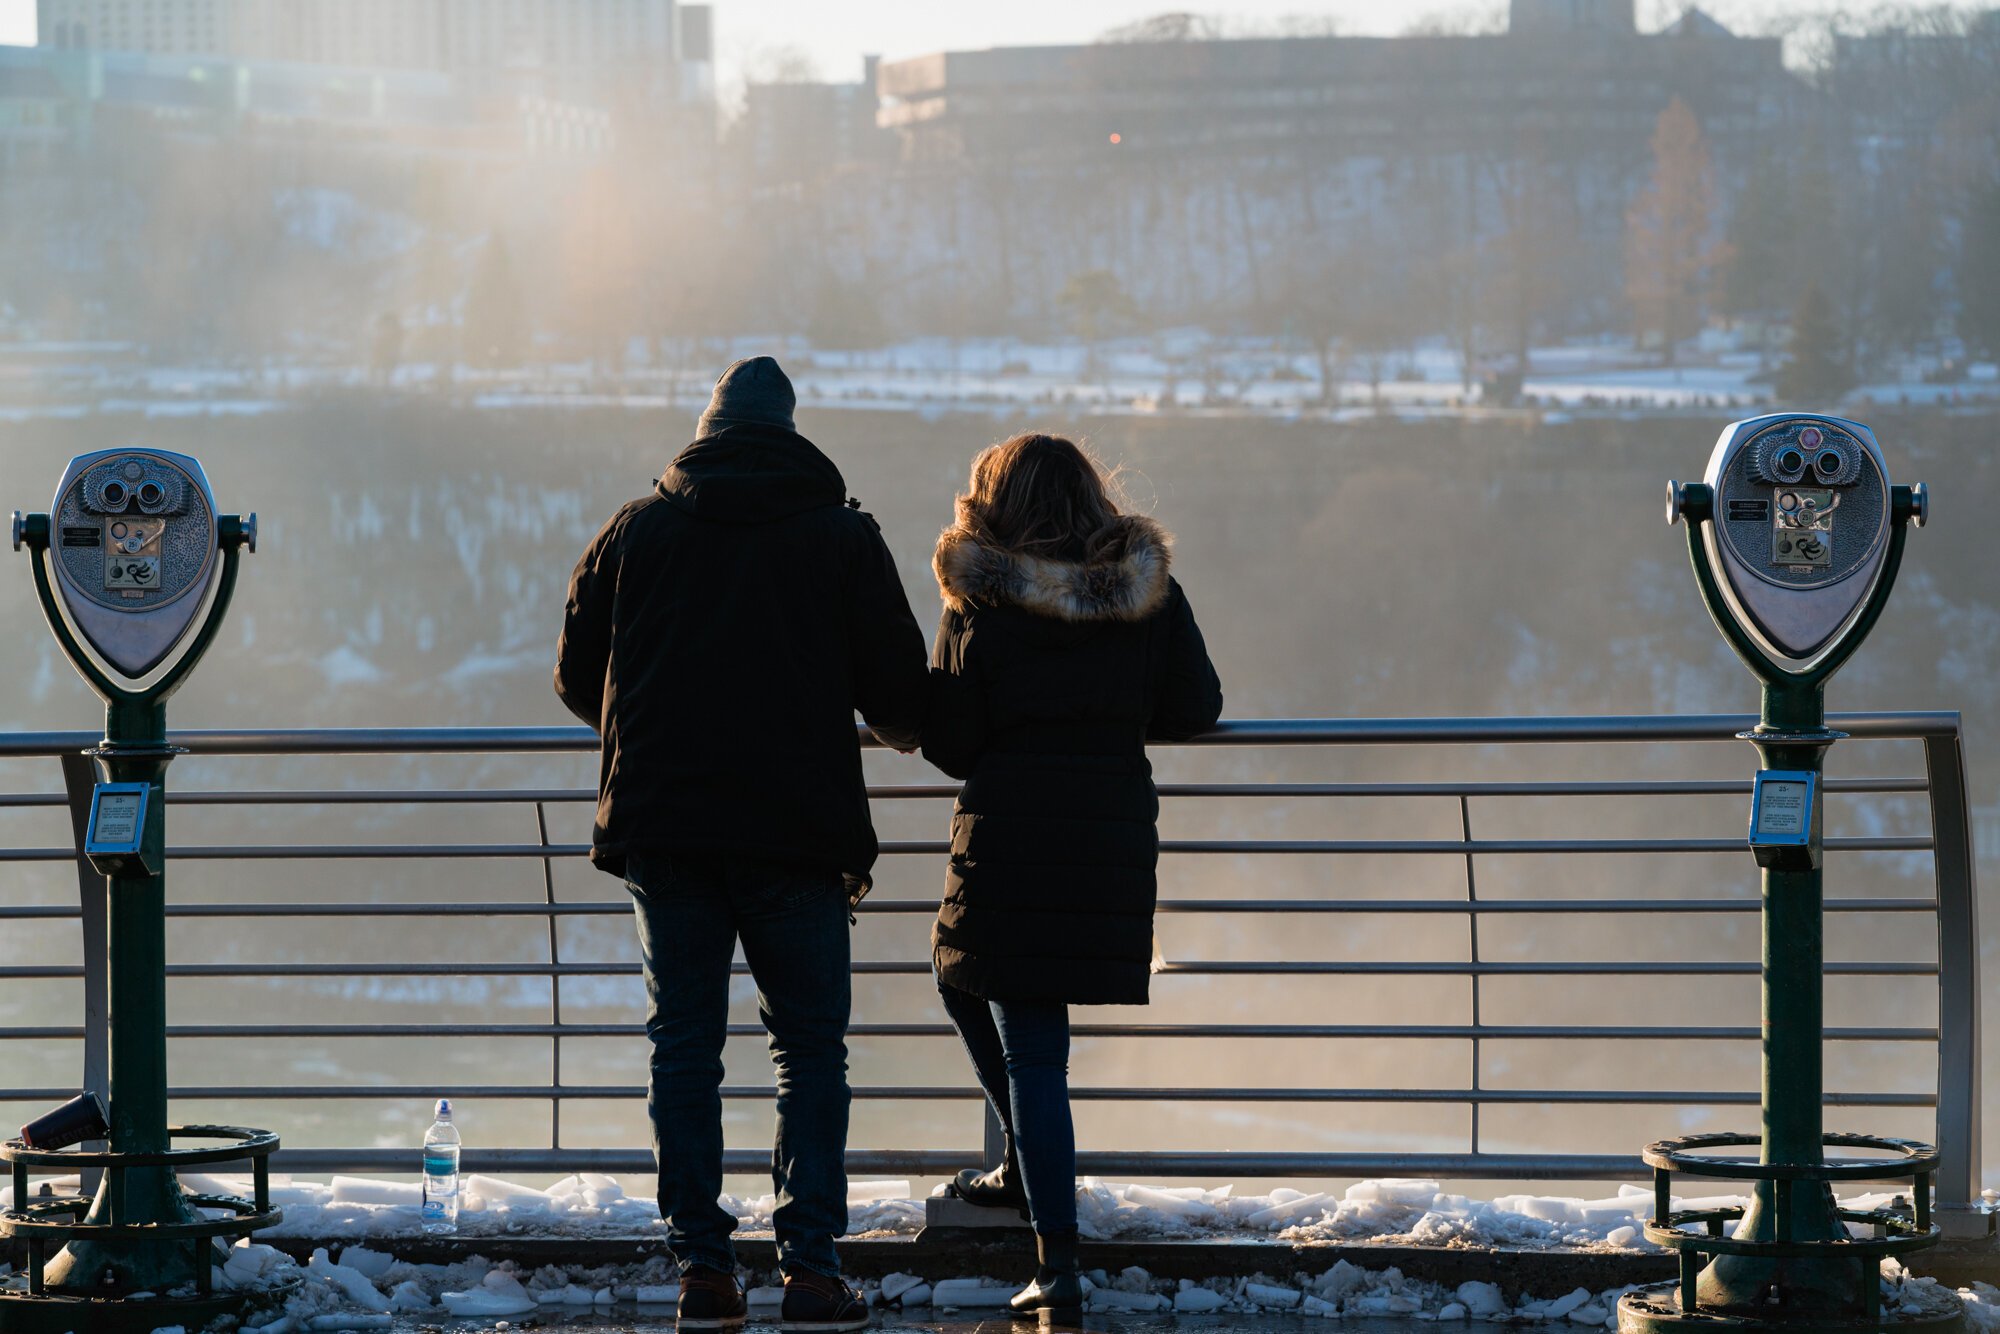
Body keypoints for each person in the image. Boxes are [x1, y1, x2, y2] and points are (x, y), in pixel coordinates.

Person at [555, 356, 926, 1332]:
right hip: (797, 836)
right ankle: (810, 1270)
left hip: (666, 828)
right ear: (790, 433)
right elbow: (897, 696)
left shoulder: (636, 531)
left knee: (682, 1048)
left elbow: (572, 674)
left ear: (706, 432)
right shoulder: (842, 538)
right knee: (809, 1050)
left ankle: (702, 1272)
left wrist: (650, 713)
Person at [920, 433, 1224, 1312]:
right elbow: (1196, 705)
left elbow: (953, 742)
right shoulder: (1143, 596)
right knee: (973, 991)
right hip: (1107, 837)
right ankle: (1026, 1174)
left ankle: (1056, 1263)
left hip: (1010, 841)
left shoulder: (981, 598)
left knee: (1025, 1047)